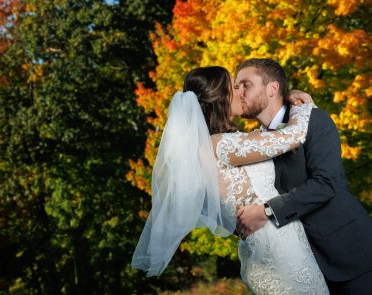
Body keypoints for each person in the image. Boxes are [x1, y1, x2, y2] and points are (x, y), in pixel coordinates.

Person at [131, 66, 330, 294]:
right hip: (280, 251)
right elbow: (294, 136)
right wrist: (301, 103)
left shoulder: (209, 148)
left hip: (269, 248)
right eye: (234, 87)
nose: (240, 92)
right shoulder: (221, 145)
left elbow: (214, 207)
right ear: (222, 97)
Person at [235, 58, 372, 294]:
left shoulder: (313, 120)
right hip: (300, 266)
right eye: (236, 87)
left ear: (272, 88)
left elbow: (326, 183)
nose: (239, 92)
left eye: (246, 85)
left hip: (350, 253)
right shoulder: (251, 142)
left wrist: (267, 211)